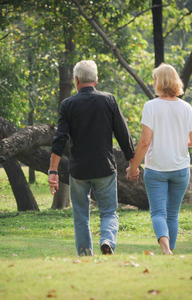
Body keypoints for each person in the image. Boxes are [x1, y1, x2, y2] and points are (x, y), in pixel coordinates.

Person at [48, 60, 135, 256]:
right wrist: (133, 162)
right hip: (104, 168)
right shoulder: (109, 100)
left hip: (78, 171)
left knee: (81, 216)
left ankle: (85, 253)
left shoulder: (67, 104)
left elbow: (59, 139)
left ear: (76, 80)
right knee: (109, 212)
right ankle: (107, 241)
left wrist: (53, 172)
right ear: (96, 80)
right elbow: (123, 133)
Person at [126, 63, 192, 255]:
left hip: (156, 170)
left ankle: (166, 249)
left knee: (158, 212)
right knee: (172, 215)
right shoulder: (186, 107)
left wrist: (134, 167)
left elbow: (144, 142)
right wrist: (176, 140)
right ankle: (170, 251)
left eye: (154, 79)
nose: (152, 83)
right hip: (181, 169)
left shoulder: (151, 106)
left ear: (160, 82)